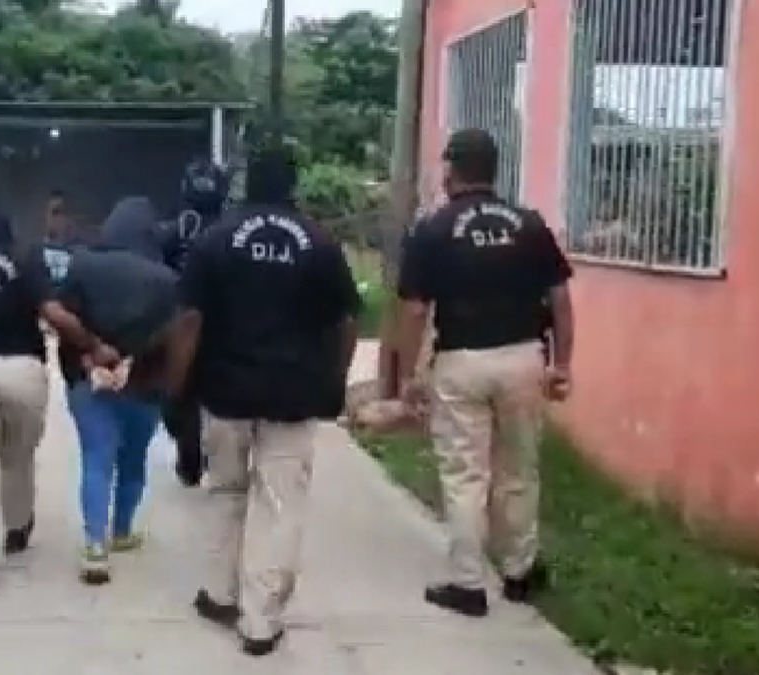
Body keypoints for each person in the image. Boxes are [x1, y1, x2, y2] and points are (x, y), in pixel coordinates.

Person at [166, 145, 361, 656]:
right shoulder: (319, 242)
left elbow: (189, 321)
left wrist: (177, 386)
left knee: (226, 493)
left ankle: (219, 594)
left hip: (225, 391)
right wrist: (335, 380)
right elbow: (346, 321)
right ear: (292, 186)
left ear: (246, 184)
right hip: (293, 394)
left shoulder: (215, 239)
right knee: (279, 504)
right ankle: (260, 621)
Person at [395, 128, 574, 618]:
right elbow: (560, 299)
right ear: (494, 170)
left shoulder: (433, 230)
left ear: (451, 169)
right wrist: (562, 364)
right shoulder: (529, 225)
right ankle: (519, 572)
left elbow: (415, 309)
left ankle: (468, 583)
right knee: (519, 469)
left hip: (462, 362)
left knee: (465, 474)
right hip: (524, 357)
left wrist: (410, 375)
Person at [0, 200, 114, 597]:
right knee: (18, 455)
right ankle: (16, 527)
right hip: (23, 371)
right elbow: (53, 314)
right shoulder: (26, 258)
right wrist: (92, 343)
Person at [54, 195, 181, 585]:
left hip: (89, 379)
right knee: (133, 459)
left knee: (96, 459)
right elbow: (174, 334)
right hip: (144, 384)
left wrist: (90, 355)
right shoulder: (167, 279)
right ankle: (122, 531)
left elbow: (64, 319)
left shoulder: (83, 265)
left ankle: (95, 546)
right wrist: (135, 360)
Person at [160, 159, 230, 488]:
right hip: (220, 320)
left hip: (182, 317)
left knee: (180, 388)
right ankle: (204, 453)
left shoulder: (176, 227)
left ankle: (192, 456)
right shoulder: (230, 229)